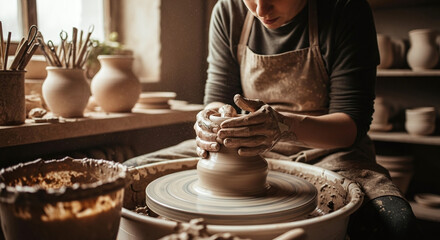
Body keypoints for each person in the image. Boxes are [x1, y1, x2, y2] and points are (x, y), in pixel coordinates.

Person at [124, 0, 421, 239]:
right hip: (240, 149)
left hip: (330, 151)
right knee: (119, 179)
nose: (261, 9)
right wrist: (211, 120)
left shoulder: (345, 9)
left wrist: (285, 126)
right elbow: (218, 98)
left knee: (395, 223)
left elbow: (351, 126)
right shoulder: (229, 11)